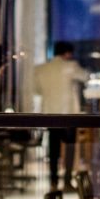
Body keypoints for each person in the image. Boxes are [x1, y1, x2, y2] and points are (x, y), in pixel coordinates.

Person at [32, 41, 88, 191]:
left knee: (53, 150)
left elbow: (36, 90)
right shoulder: (71, 66)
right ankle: (67, 180)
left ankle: (54, 181)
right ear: (67, 53)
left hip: (50, 114)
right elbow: (85, 76)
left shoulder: (41, 69)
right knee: (70, 148)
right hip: (69, 114)